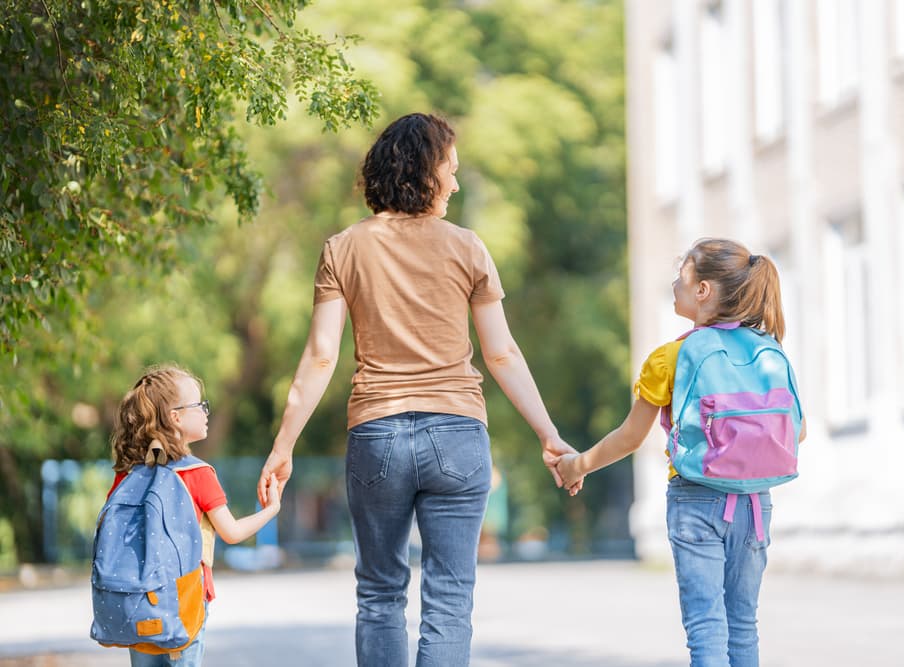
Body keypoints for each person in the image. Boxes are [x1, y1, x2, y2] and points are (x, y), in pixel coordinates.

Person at [256, 112, 580, 667]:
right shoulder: (468, 247)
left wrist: (283, 445)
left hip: (376, 434)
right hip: (456, 434)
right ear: (425, 172)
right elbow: (502, 353)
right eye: (450, 170)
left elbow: (322, 355)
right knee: (449, 600)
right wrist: (548, 435)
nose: (455, 183)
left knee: (380, 594)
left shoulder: (344, 248)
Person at [556, 238, 807, 667]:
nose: (675, 283)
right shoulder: (769, 351)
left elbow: (631, 438)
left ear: (703, 290)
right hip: (755, 505)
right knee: (742, 625)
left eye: (682, 275)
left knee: (707, 626)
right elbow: (796, 433)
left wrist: (576, 464)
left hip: (695, 501)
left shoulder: (670, 356)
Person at [107, 364, 282, 667]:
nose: (206, 412)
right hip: (184, 602)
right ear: (176, 417)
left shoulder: (129, 474)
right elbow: (232, 533)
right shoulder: (197, 473)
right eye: (199, 405)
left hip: (135, 599)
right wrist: (272, 509)